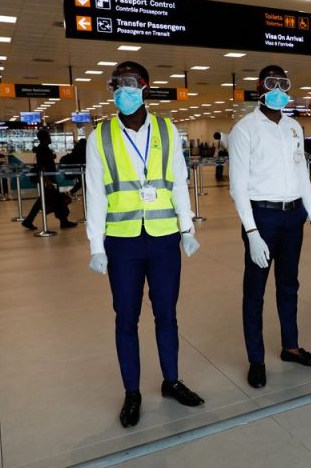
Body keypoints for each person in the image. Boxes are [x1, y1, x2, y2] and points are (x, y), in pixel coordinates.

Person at [85, 61, 204, 428]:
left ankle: (171, 381)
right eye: (116, 85)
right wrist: (96, 245)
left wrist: (187, 229)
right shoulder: (99, 136)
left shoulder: (168, 131)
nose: (123, 91)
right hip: (122, 243)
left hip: (165, 238)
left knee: (167, 314)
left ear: (145, 86)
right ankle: (132, 392)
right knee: (126, 318)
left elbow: (179, 183)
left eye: (130, 83)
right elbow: (95, 194)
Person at [228, 64, 311, 389]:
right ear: (259, 87)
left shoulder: (294, 127)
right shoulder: (245, 129)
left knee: (289, 284)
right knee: (254, 290)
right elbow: (237, 186)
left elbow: (302, 175)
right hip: (263, 217)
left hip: (293, 215)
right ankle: (255, 359)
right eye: (271, 84)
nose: (278, 90)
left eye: (283, 84)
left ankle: (291, 346)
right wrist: (252, 231)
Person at [21, 130, 76, 230]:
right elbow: (42, 165)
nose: (50, 138)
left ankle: (29, 220)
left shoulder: (43, 148)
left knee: (47, 200)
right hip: (48, 179)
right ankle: (64, 221)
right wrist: (47, 180)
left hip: (49, 178)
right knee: (57, 200)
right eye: (49, 136)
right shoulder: (43, 149)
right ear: (45, 137)